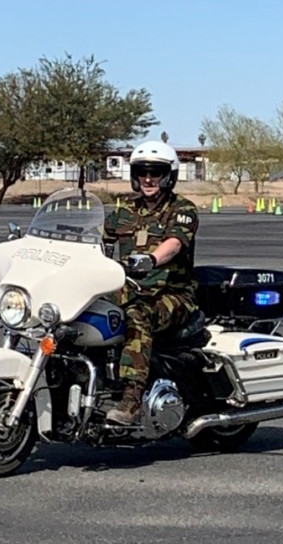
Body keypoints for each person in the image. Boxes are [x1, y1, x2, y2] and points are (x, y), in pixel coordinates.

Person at [103, 140, 199, 425]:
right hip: (128, 290)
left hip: (174, 295)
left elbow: (174, 243)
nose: (148, 179)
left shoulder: (182, 209)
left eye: (155, 172)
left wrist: (152, 259)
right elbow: (97, 243)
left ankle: (131, 400)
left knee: (137, 316)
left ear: (168, 175)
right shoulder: (122, 211)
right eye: (142, 171)